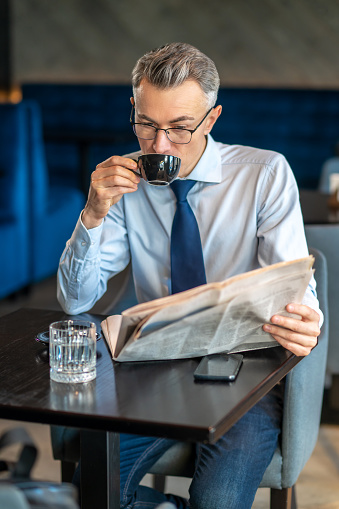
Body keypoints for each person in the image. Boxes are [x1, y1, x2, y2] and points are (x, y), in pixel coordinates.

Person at [57, 42, 322, 509]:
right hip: (154, 368)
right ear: (133, 111)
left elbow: (296, 289)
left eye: (179, 129)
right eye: (146, 125)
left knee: (216, 501)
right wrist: (93, 214)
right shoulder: (123, 183)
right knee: (91, 490)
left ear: (211, 119)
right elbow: (76, 301)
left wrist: (305, 321)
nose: (159, 146)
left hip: (247, 374)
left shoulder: (264, 174)